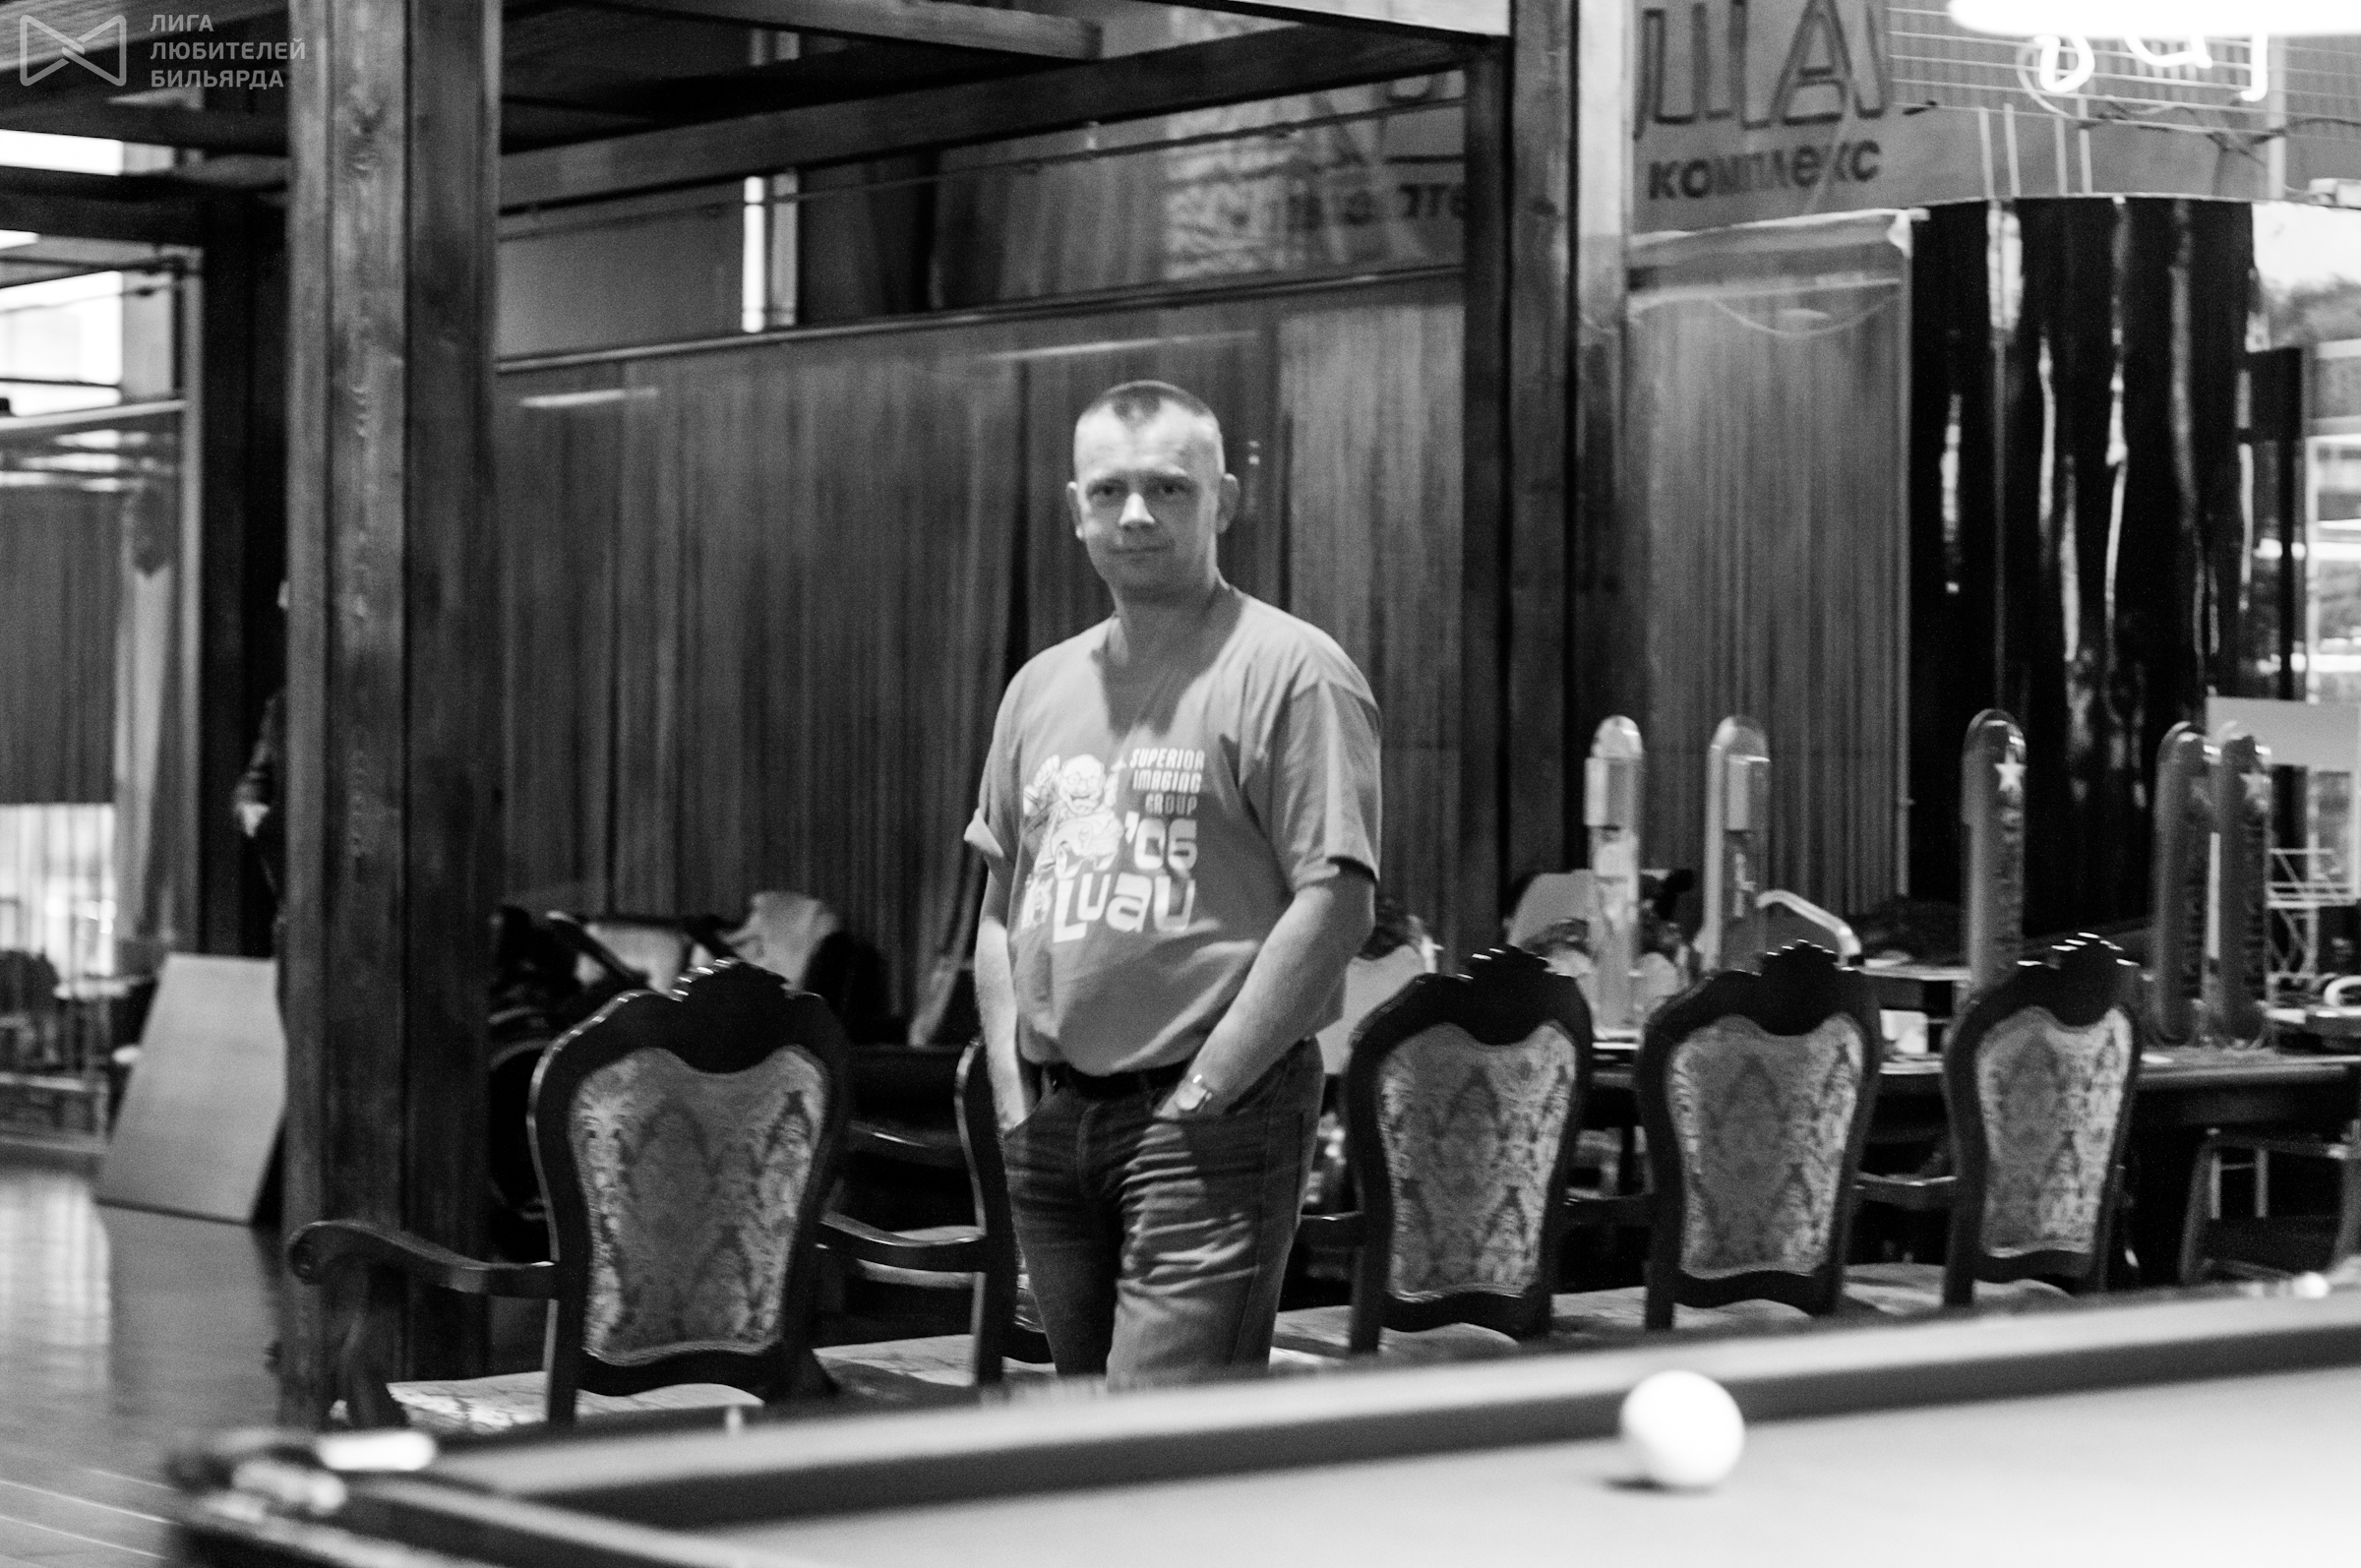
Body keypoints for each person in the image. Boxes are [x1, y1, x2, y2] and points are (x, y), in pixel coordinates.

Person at [966, 381, 1380, 1388]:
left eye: (1169, 488)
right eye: (1110, 491)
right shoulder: (1038, 687)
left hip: (1210, 1116)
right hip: (1053, 1119)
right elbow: (998, 914)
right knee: (1090, 1433)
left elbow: (1336, 901)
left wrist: (1203, 1097)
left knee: (1158, 1433)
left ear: (1224, 501)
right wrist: (1016, 1105)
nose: (1137, 514)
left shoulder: (1293, 669)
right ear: (1076, 510)